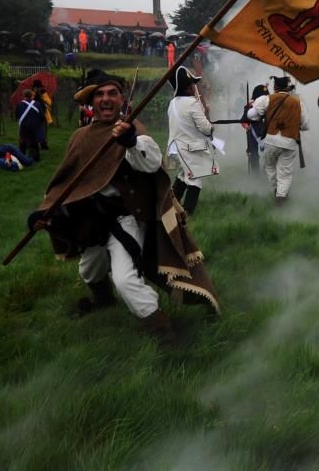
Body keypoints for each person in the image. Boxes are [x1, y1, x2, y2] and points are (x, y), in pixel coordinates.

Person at [27, 69, 219, 339]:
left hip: (126, 219)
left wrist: (129, 142)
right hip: (91, 220)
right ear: (91, 102)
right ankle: (103, 301)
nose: (106, 99)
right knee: (89, 269)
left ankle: (162, 330)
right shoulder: (80, 137)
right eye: (99, 95)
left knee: (125, 279)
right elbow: (65, 184)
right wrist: (45, 212)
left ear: (120, 100)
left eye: (112, 94)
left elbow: (150, 161)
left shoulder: (134, 130)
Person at [248, 75, 310, 203]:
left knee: (270, 168)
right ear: (287, 88)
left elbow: (251, 115)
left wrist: (256, 108)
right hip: (289, 142)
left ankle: (277, 190)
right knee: (285, 173)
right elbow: (305, 125)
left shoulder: (267, 99)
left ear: (275, 87)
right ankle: (281, 197)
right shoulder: (298, 103)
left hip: (270, 140)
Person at [166, 66, 219, 215]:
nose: (194, 87)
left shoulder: (173, 103)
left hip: (175, 148)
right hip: (188, 148)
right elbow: (205, 128)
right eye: (192, 84)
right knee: (195, 180)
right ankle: (187, 213)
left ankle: (171, 208)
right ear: (187, 87)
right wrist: (210, 125)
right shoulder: (192, 103)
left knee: (183, 176)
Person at [243, 84, 268, 177]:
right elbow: (243, 120)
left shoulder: (269, 102)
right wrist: (246, 126)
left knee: (269, 154)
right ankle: (255, 174)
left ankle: (267, 172)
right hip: (253, 132)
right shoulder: (249, 105)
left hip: (266, 132)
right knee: (254, 155)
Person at [15, 89, 44, 162]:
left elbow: (17, 115)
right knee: (34, 143)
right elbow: (41, 116)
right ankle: (36, 158)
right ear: (31, 95)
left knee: (23, 143)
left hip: (24, 127)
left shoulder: (19, 104)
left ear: (24, 96)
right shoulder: (37, 104)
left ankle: (21, 158)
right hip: (35, 126)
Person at [32, 79, 53, 150]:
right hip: (34, 114)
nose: (41, 88)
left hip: (43, 114)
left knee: (44, 130)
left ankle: (44, 143)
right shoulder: (31, 94)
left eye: (40, 87)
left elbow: (49, 102)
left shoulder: (43, 93)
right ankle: (35, 143)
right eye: (39, 87)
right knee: (35, 130)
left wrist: (42, 98)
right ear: (35, 87)